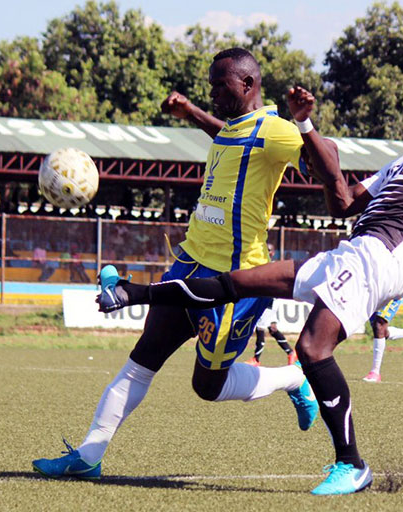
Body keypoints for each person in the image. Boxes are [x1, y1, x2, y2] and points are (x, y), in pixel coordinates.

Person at [98, 67, 403, 495]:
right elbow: (343, 201)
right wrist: (305, 125)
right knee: (235, 283)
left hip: (381, 258)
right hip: (352, 250)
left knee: (312, 348)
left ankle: (352, 464)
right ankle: (133, 292)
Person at [32, 48, 318, 481]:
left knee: (208, 387)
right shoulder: (236, 130)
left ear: (248, 85)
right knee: (142, 358)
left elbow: (320, 163)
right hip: (188, 263)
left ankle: (292, 380)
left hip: (234, 282)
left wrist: (305, 123)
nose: (214, 94)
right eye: (210, 88)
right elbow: (228, 134)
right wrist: (190, 111)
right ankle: (90, 455)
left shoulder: (276, 131)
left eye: (220, 86)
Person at [244, 245, 297, 366]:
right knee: (273, 329)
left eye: (268, 250)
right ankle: (290, 352)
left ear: (272, 253)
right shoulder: (261, 263)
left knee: (260, 327)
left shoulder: (273, 265)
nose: (266, 252)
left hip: (270, 300)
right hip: (268, 299)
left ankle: (256, 359)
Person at [361, 299, 403, 383]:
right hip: (375, 294)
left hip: (391, 292)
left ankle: (375, 372)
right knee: (380, 330)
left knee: (379, 325)